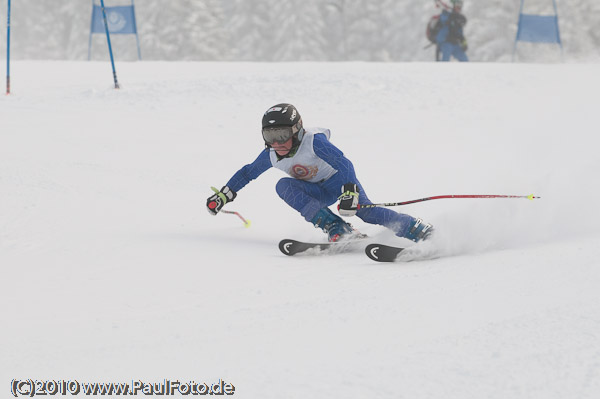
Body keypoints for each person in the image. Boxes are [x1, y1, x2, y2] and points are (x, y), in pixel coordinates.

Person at [206, 103, 433, 243]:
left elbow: (343, 163)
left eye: (282, 134)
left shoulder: (314, 141)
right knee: (283, 186)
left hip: (339, 183)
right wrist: (224, 195)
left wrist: (349, 192)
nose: (277, 142)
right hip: (316, 190)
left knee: (366, 213)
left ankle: (417, 229)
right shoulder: (271, 154)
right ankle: (336, 227)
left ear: (297, 130)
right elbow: (247, 173)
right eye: (270, 136)